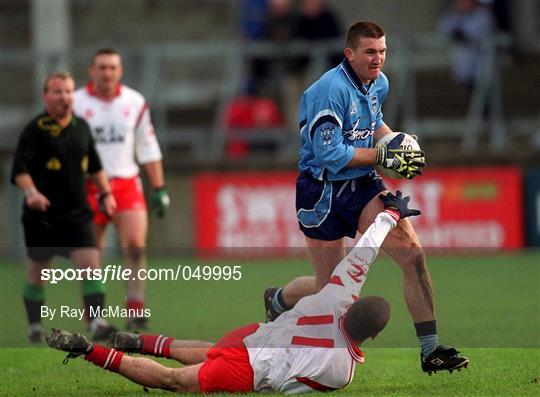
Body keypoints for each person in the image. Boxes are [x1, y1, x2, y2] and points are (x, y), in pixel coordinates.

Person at [48, 191, 466, 393]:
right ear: (371, 338)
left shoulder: (339, 292)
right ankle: (90, 350)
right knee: (176, 382)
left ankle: (140, 340)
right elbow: (288, 385)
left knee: (214, 348)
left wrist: (391, 212)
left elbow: (367, 250)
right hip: (251, 368)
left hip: (249, 337)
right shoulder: (342, 372)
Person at [263, 20, 467, 374]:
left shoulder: (378, 83)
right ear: (350, 53)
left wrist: (395, 141)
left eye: (383, 51)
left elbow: (373, 125)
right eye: (370, 51)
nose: (378, 59)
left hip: (361, 184)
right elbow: (331, 154)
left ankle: (431, 350)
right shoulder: (330, 90)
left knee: (413, 255)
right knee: (328, 288)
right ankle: (280, 299)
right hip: (322, 190)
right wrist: (381, 155)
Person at [11, 72, 118, 342]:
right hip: (42, 215)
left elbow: (94, 165)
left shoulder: (81, 127)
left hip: (77, 213)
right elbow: (19, 169)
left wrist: (106, 194)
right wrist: (32, 192)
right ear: (46, 96)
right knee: (38, 271)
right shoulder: (35, 129)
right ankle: (35, 325)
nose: (65, 97)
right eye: (58, 92)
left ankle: (96, 322)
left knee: (91, 264)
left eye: (69, 91)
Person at [73, 48, 170, 330]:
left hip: (126, 182)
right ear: (92, 71)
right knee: (92, 253)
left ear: (120, 71)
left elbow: (148, 146)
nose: (107, 73)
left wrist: (159, 187)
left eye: (112, 67)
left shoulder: (134, 102)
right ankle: (96, 317)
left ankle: (135, 311)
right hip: (88, 186)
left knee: (136, 247)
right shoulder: (76, 103)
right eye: (102, 67)